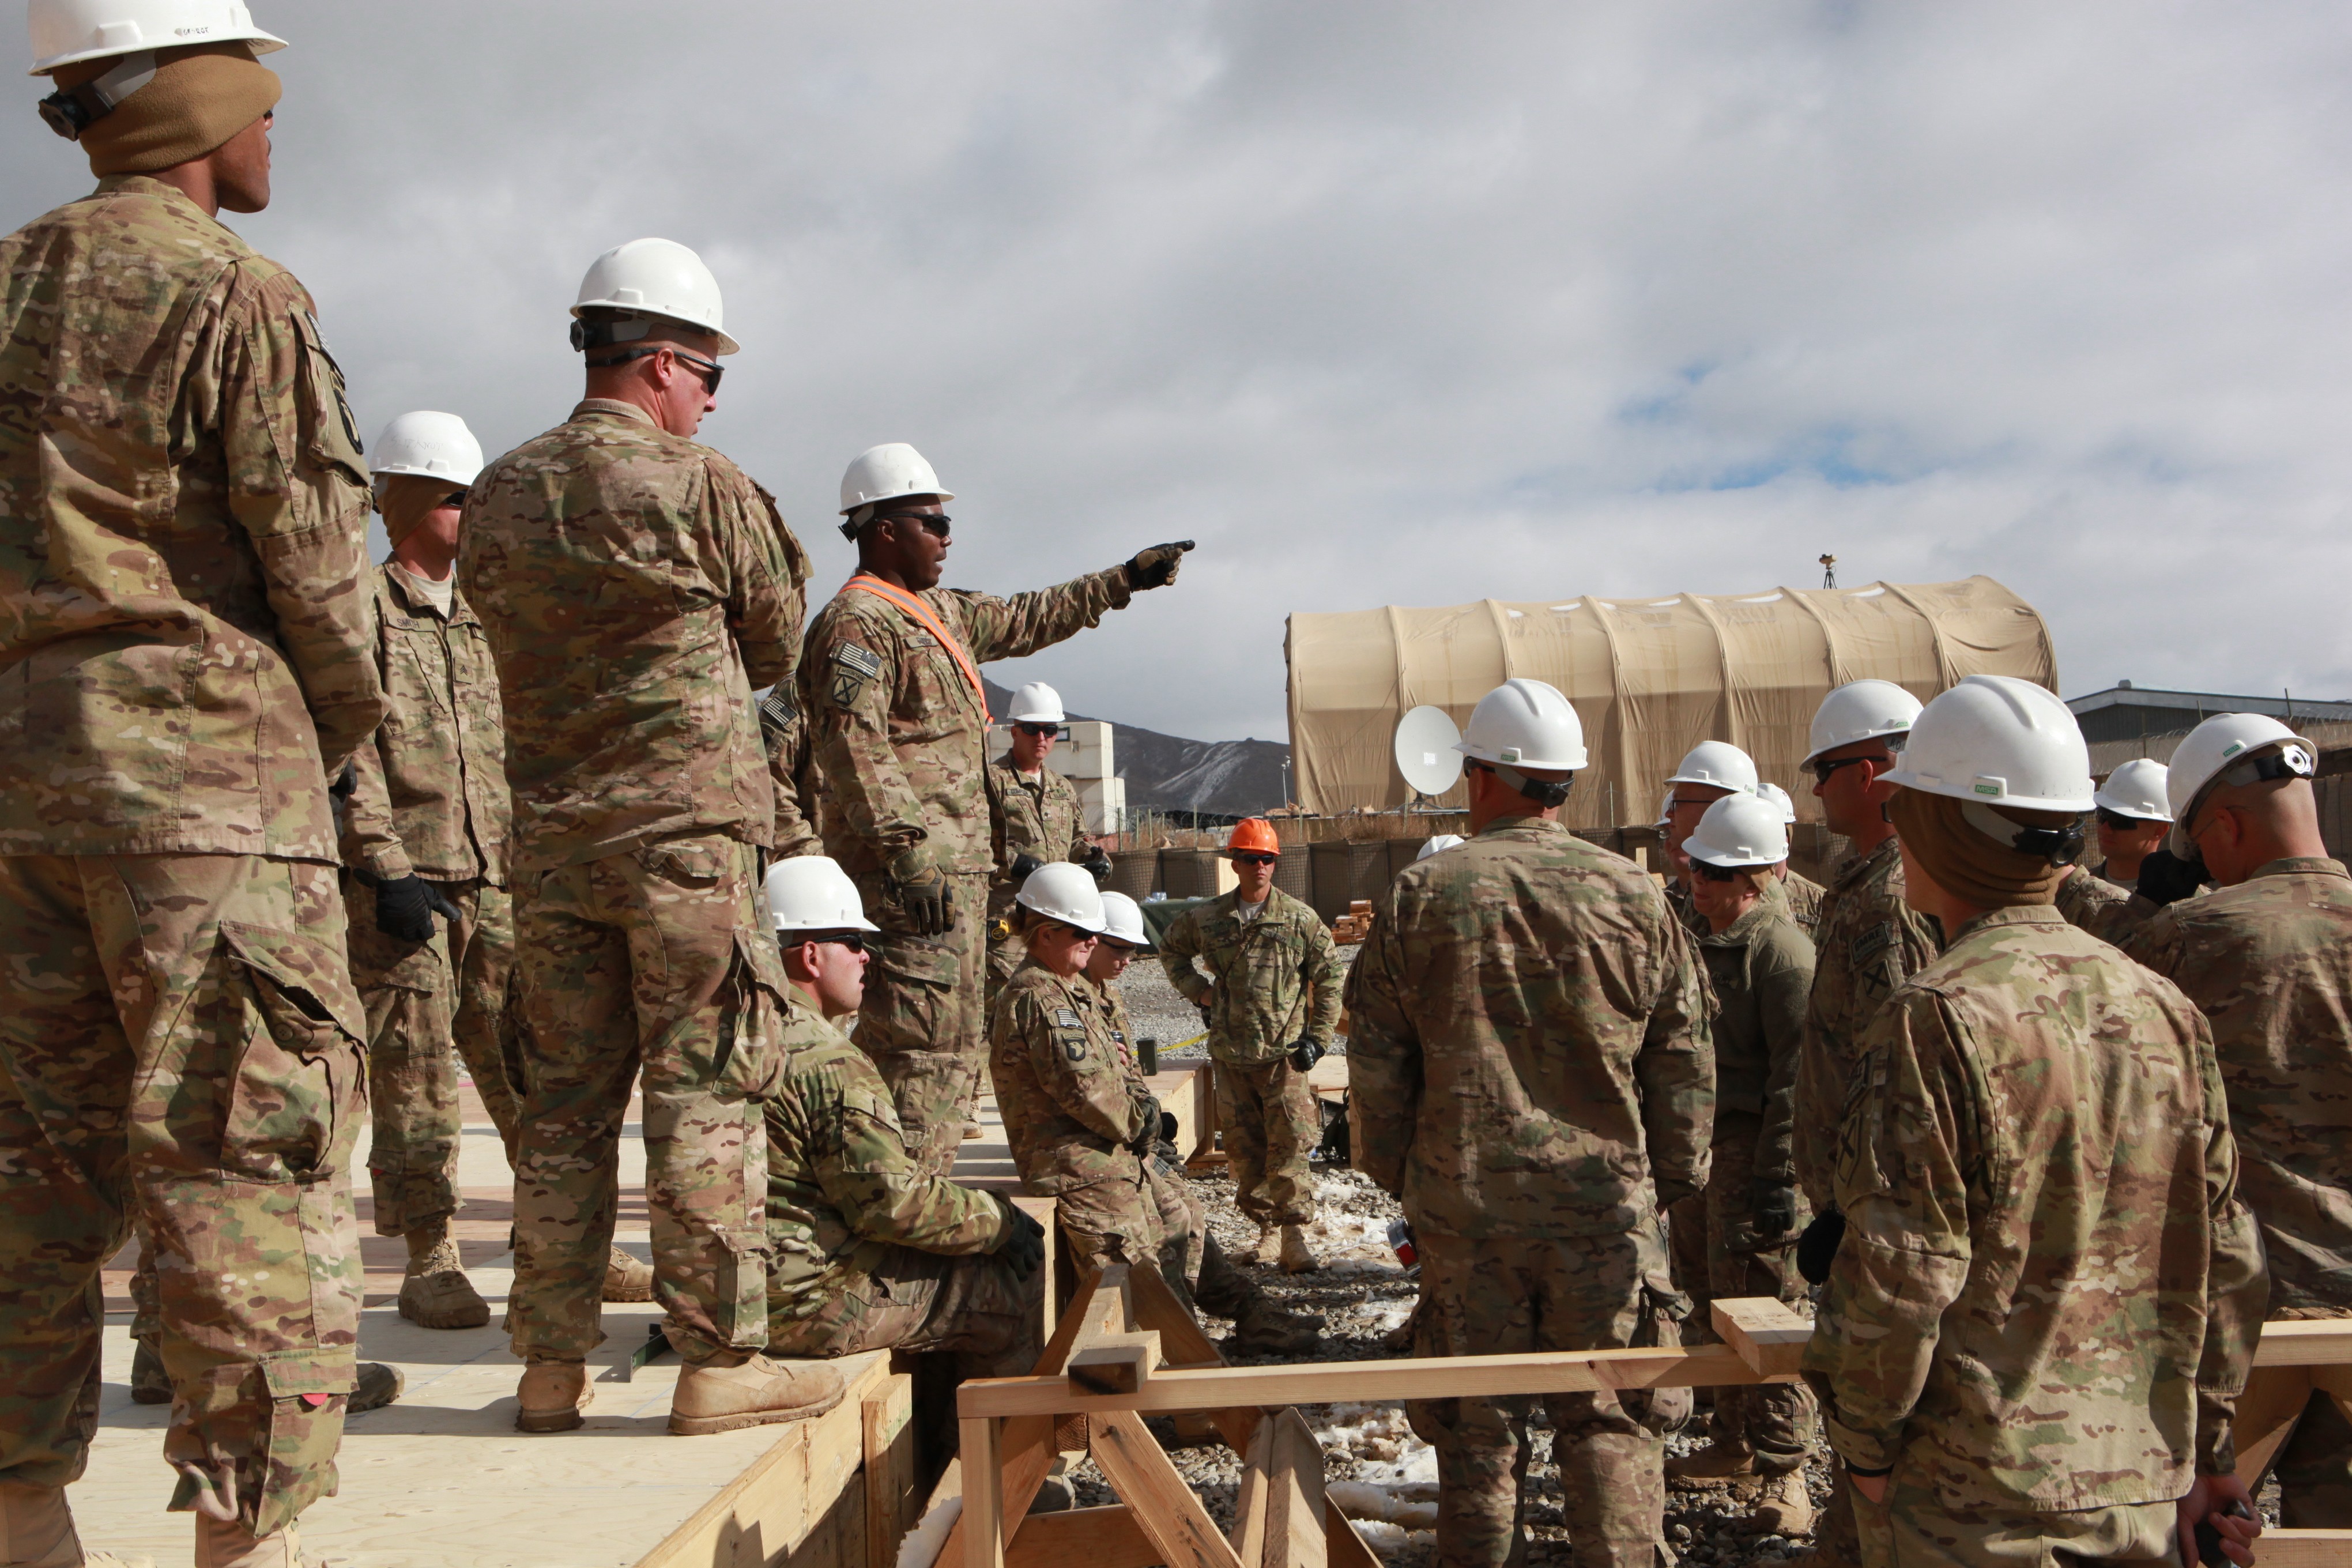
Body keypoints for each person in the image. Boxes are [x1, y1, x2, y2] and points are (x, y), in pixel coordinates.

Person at [0, 8, 394, 1559]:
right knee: (250, 1176)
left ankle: (26, 1524)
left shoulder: (7, 281)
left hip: (22, 793)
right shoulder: (238, 292)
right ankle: (241, 1541)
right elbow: (321, 584)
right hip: (215, 811)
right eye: (265, 103)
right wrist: (317, 759)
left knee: (27, 1179)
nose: (276, 132)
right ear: (196, 105)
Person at [460, 238, 829, 1437]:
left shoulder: (503, 492)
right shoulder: (701, 483)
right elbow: (776, 645)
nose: (712, 398)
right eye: (709, 373)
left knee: (563, 1106)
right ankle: (721, 1360)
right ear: (662, 362)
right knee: (707, 1090)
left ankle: (550, 1368)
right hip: (685, 843)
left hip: (552, 848)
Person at [1804, 676, 2266, 1568]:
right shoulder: (2162, 1006)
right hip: (2136, 1480)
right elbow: (2227, 1251)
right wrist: (2207, 1449)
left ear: (1937, 826)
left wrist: (1864, 1447)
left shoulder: (1938, 1014)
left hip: (1978, 1499)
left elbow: (1902, 1273)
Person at [1349, 679, 1713, 1568]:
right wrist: (1665, 1183)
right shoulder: (1636, 894)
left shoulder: (1421, 895)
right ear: (1566, 784)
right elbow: (1684, 1059)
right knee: (1611, 1425)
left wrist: (1405, 1175)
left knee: (1477, 1437)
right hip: (1605, 1217)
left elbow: (1377, 1065)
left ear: (1480, 778)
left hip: (1468, 1216)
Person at [804, 440, 1190, 1175]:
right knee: (919, 1048)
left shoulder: (935, 612)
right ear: (883, 528)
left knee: (950, 1050)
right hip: (911, 882)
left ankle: (914, 1192)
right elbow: (853, 750)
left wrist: (1122, 581)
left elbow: (1028, 615)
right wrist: (910, 856)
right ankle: (891, 1202)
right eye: (932, 522)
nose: (948, 538)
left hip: (958, 881)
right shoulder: (859, 625)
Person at [2123, 714, 2352, 1527]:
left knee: (2189, 1529)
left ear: (2222, 825)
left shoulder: (2196, 936)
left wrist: (2146, 905)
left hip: (2248, 1317)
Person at [758, 857, 1046, 1382]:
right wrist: (1001, 1221)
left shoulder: (736, 1036)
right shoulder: (825, 1060)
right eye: (852, 941)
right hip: (801, 1306)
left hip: (732, 1296)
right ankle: (1002, 1455)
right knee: (1002, 1287)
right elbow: (891, 1205)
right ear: (810, 955)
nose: (867, 956)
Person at [1786, 680, 1941, 1568]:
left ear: (1875, 771)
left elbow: (1896, 1074)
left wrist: (1856, 1212)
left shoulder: (1892, 900)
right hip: (1863, 1210)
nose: (1816, 790)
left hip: (1880, 1220)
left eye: (1828, 770)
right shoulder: (1873, 885)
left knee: (1884, 1406)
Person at [1667, 793, 1818, 1538]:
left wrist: (1777, 1181)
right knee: (1705, 1303)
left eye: (1713, 872)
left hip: (1754, 1155)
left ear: (1753, 880)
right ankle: (1730, 1441)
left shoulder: (1780, 954)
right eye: (1696, 867)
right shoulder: (1703, 936)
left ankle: (1787, 1470)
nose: (1696, 881)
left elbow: (1799, 1077)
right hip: (1704, 1157)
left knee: (1768, 1312)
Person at [1088, 892, 1321, 1354]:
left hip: (1129, 1138)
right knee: (1173, 1225)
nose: (1128, 962)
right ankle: (1191, 1347)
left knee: (1190, 1211)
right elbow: (1088, 1092)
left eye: (1133, 951)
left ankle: (1249, 1306)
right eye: (1119, 950)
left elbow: (1124, 1075)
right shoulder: (1055, 1002)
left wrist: (1148, 1124)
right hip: (1094, 1154)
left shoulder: (1102, 996)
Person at [1156, 817, 1344, 1273]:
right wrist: (1199, 991)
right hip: (1231, 1059)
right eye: (1249, 858)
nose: (1259, 866)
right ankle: (1265, 1233)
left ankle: (1295, 1238)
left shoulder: (1299, 919)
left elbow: (1332, 977)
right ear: (1234, 863)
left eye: (1266, 859)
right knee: (1246, 1150)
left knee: (1292, 1147)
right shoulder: (1208, 918)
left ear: (1275, 864)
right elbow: (1170, 950)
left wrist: (1318, 1040)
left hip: (1284, 1059)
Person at [991, 865, 1165, 1273]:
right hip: (1075, 1169)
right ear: (1046, 934)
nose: (1093, 942)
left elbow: (1118, 1069)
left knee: (1167, 1253)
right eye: (1082, 933)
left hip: (1101, 1158)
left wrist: (1142, 1112)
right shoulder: (1040, 997)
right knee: (1133, 1286)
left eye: (1096, 933)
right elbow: (1086, 1090)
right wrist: (1141, 1124)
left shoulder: (1065, 988)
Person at [985, 680, 1110, 1022]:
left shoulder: (1061, 788)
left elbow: (1078, 839)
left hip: (1059, 920)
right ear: (1014, 731)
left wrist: (1094, 858)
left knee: (1056, 1001)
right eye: (1032, 729)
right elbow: (974, 844)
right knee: (1006, 1006)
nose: (1041, 738)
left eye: (1050, 730)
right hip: (1011, 917)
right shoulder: (992, 782)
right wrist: (1014, 863)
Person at [1661, 741, 1761, 934]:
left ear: (1716, 806)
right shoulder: (1709, 873)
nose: (1669, 814)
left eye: (1677, 803)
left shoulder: (1743, 886)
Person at [1754, 782, 1826, 934]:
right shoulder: (1731, 896)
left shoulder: (1818, 901)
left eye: (1774, 831)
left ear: (1788, 836)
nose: (1765, 841)